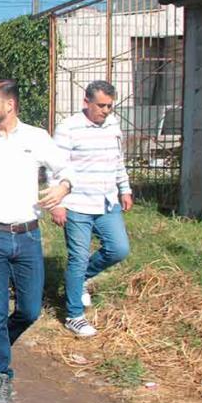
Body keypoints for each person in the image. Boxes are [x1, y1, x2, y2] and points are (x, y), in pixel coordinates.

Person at [0, 79, 74, 403]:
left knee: (30, 310)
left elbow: (64, 169)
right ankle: (0, 375)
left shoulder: (36, 138)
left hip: (27, 234)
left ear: (9, 105)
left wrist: (63, 187)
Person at [52, 80, 132, 338]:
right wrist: (57, 203)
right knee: (78, 256)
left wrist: (125, 188)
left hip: (107, 201)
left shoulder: (112, 125)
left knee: (119, 248)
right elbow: (56, 167)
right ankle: (74, 315)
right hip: (77, 204)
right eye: (101, 105)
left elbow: (117, 159)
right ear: (86, 102)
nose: (106, 110)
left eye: (110, 106)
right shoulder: (68, 128)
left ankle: (79, 279)